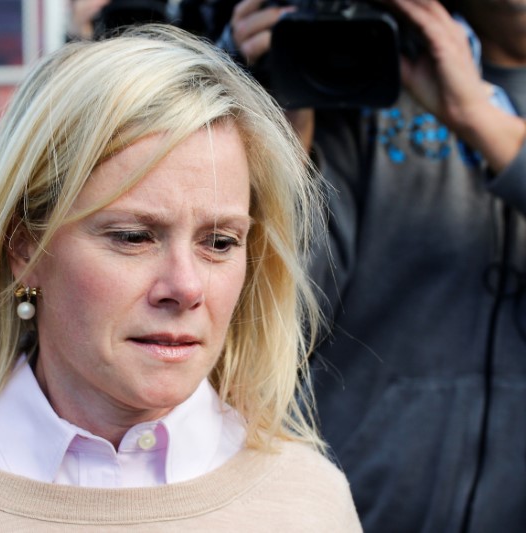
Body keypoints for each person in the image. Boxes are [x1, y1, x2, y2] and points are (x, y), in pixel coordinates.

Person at [0, 25, 361, 531]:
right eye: (133, 237)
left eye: (219, 243)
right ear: (24, 247)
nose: (186, 287)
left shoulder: (309, 502)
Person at [219, 0, 526, 530]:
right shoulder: (362, 65)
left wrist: (479, 118)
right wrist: (265, 106)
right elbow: (282, 313)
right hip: (357, 505)